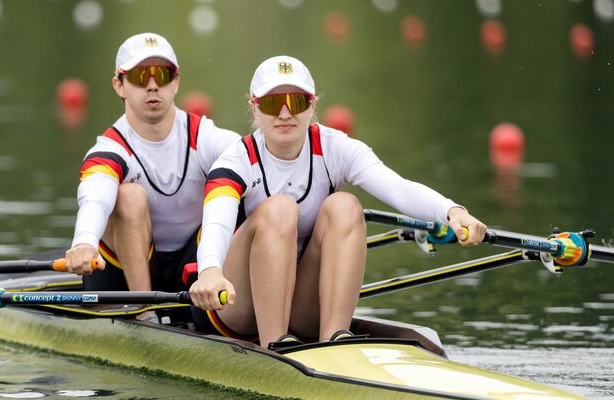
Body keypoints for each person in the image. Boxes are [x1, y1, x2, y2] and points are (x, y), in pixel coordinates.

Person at [190, 55, 487, 348]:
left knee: (345, 205)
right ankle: (275, 344)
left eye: (296, 102)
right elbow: (217, 219)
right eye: (271, 103)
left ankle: (334, 340)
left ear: (312, 105)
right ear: (254, 109)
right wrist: (209, 271)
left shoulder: (336, 148)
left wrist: (452, 210)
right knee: (280, 208)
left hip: (301, 304)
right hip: (233, 303)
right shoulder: (236, 160)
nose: (284, 114)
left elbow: (398, 188)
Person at [65, 33, 240, 322]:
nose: (152, 85)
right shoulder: (110, 148)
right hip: (120, 277)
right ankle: (144, 315)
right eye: (139, 76)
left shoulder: (206, 137)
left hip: (192, 268)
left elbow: (257, 161)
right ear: (119, 85)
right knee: (129, 196)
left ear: (176, 81)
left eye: (162, 74)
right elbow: (95, 195)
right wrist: (84, 241)